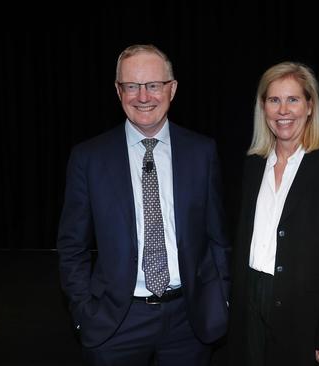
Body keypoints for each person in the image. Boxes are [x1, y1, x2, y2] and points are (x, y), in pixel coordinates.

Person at [56, 44, 230, 366]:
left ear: (172, 89)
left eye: (153, 85)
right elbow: (71, 246)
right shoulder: (89, 158)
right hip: (115, 322)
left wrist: (222, 300)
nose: (143, 96)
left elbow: (217, 237)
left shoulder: (202, 152)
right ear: (118, 90)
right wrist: (83, 311)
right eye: (131, 86)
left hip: (188, 321)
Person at [227, 61, 319, 366]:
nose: (283, 110)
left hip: (304, 311)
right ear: (263, 108)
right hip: (249, 302)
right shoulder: (252, 165)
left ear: (310, 105)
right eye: (274, 100)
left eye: (293, 99)